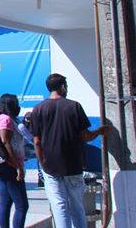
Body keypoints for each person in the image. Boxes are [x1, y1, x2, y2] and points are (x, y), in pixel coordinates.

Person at [31, 73, 109, 228]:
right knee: (77, 206)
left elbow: (37, 141)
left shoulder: (38, 109)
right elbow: (86, 136)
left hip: (50, 166)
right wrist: (100, 131)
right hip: (73, 165)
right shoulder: (74, 106)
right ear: (63, 87)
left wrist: (42, 162)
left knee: (59, 206)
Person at [0, 94, 28, 228]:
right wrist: (17, 166)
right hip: (9, 165)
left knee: (6, 202)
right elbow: (5, 141)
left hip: (1, 164)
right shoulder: (6, 120)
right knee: (22, 205)